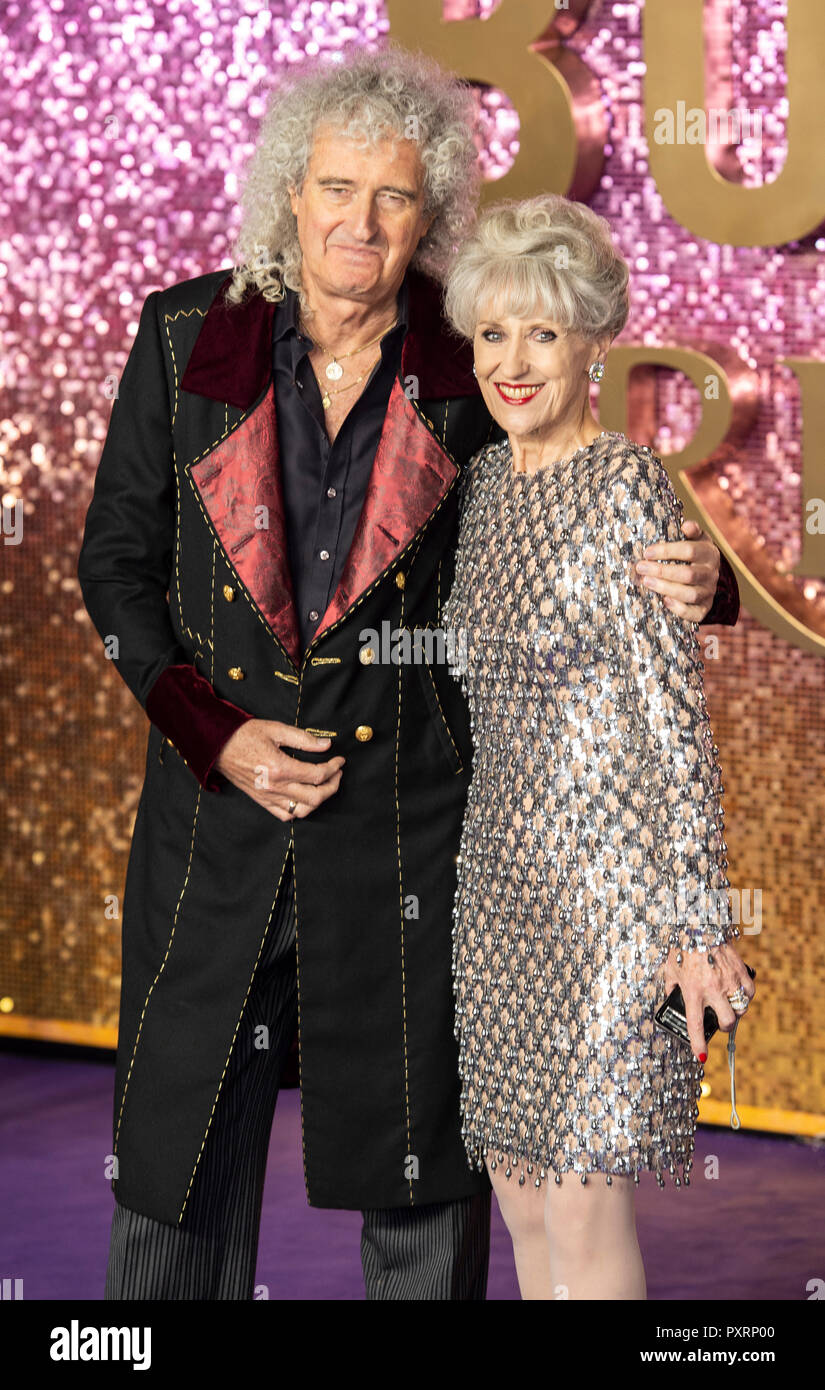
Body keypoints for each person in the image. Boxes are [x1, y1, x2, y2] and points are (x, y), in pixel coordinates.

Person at [77, 48, 739, 1302]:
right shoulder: (184, 336)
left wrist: (703, 585)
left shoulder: (468, 352)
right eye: (335, 189)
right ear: (291, 192)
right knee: (175, 1173)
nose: (359, 223)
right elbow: (113, 570)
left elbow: (591, 509)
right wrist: (212, 732)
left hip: (411, 841)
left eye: (392, 197)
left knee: (425, 1193)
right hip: (217, 824)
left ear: (429, 212)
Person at [441, 193, 755, 1301]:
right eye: (492, 332)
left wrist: (700, 919)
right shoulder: (473, 492)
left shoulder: (626, 486)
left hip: (612, 896)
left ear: (590, 344)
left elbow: (676, 722)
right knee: (522, 1189)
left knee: (581, 1193)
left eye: (542, 332)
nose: (512, 362)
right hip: (496, 890)